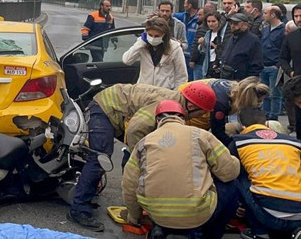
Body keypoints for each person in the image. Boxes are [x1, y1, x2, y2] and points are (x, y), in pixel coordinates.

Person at [67, 81, 217, 231]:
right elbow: (135, 129)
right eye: (202, 112)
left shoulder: (175, 105)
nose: (203, 116)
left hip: (120, 111)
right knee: (100, 158)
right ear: (191, 106)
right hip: (105, 107)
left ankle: (100, 194)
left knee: (132, 160)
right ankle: (79, 210)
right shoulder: (165, 103)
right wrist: (140, 160)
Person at [123, 100, 240, 239]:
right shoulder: (201, 135)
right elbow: (229, 172)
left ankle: (160, 228)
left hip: (156, 214)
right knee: (233, 184)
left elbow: (129, 184)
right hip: (198, 214)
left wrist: (134, 217)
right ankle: (211, 234)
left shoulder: (144, 142)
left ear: (157, 120)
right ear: (182, 118)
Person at [228, 107, 301, 239]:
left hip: (268, 214)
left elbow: (227, 173)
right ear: (267, 123)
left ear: (243, 126)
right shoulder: (293, 142)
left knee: (238, 176)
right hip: (299, 213)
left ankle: (259, 232)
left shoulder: (239, 142)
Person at [180, 77, 269, 147]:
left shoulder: (231, 87)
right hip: (187, 112)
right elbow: (218, 132)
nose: (259, 105)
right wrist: (235, 147)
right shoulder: (221, 102)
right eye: (258, 102)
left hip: (186, 96)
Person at [122, 17, 188, 89]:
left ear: (164, 35)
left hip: (165, 92)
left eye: (157, 36)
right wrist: (141, 42)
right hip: (144, 91)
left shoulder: (175, 48)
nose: (153, 38)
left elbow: (181, 76)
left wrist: (175, 94)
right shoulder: (142, 45)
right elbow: (127, 60)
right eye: (150, 35)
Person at [218, 12, 263, 81]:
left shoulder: (253, 40)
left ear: (244, 25)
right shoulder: (231, 37)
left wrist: (249, 82)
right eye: (231, 23)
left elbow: (256, 65)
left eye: (236, 23)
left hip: (242, 80)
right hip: (226, 77)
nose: (232, 26)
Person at [260, 6, 286, 120]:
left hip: (274, 66)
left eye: (265, 13)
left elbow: (284, 49)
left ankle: (273, 118)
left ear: (273, 15)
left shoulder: (283, 30)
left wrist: (278, 65)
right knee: (264, 94)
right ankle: (264, 117)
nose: (263, 15)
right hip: (263, 65)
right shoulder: (265, 29)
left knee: (275, 94)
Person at [280, 7, 301, 136]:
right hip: (298, 85)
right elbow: (283, 58)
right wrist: (290, 72)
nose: (299, 19)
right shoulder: (291, 37)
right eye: (296, 16)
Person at [175, 0, 201, 80]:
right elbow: (170, 15)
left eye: (185, 3)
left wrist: (194, 57)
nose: (184, 5)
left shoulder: (199, 20)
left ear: (190, 5)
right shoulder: (184, 16)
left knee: (190, 80)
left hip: (191, 55)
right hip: (182, 53)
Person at [189, 7, 207, 79]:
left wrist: (193, 59)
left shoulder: (202, 28)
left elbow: (196, 45)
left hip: (199, 62)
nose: (197, 17)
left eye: (200, 15)